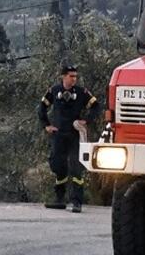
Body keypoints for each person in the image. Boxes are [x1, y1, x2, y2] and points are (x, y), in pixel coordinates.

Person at [37, 65, 101, 213]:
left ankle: (77, 202)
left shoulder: (81, 92)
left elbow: (96, 107)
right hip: (59, 135)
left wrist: (86, 120)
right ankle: (59, 200)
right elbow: (41, 108)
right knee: (58, 166)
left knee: (75, 167)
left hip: (74, 135)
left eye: (75, 77)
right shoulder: (53, 91)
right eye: (71, 76)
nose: (74, 79)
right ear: (63, 76)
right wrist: (46, 125)